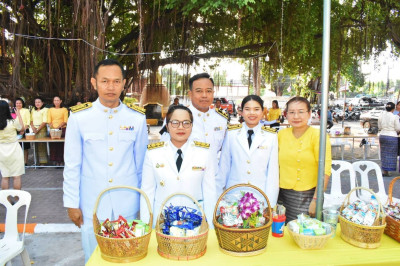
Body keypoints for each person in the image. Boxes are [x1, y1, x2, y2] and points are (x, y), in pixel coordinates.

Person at [63, 59, 148, 262]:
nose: (111, 87)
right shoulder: (79, 117)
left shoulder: (136, 118)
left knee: (127, 256)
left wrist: (142, 203)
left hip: (127, 202)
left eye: (116, 81)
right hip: (91, 203)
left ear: (123, 83)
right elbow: (72, 164)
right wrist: (71, 203)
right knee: (93, 257)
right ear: (94, 82)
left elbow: (142, 165)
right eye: (105, 81)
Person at [140, 105, 217, 225]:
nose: (181, 127)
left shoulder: (204, 153)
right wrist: (146, 225)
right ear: (167, 126)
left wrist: (211, 227)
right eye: (175, 123)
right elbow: (147, 192)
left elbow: (210, 193)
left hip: (195, 221)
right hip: (162, 222)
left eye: (186, 123)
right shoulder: (153, 153)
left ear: (192, 126)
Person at [277, 97, 332, 222]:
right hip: (281, 194)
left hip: (308, 195)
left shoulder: (319, 136)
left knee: (303, 231)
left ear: (309, 113)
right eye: (291, 112)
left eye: (301, 112)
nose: (296, 116)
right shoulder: (281, 135)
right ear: (286, 114)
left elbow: (325, 170)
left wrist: (316, 200)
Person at [218, 95, 279, 206]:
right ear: (241, 112)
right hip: (233, 196)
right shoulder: (232, 134)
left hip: (260, 197)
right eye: (247, 109)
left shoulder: (271, 136)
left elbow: (273, 173)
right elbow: (224, 166)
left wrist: (270, 204)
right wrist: (219, 197)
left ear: (262, 111)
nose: (252, 113)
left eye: (256, 109)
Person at [0, 100, 25, 190]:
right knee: (16, 176)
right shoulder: (12, 122)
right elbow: (22, 129)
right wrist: (18, 115)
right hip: (14, 149)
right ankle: (16, 198)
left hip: (1, 151)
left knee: (5, 176)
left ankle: (6, 200)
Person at [378, 102, 400, 177]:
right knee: (391, 154)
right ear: (393, 109)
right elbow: (398, 128)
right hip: (392, 136)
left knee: (384, 153)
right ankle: (390, 169)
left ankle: (385, 171)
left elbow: (379, 127)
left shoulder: (381, 116)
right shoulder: (395, 117)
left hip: (383, 135)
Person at [47, 96, 69, 166]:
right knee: (54, 145)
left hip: (62, 129)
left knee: (61, 145)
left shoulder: (64, 109)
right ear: (53, 102)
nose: (56, 102)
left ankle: (61, 160)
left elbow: (65, 120)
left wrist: (59, 127)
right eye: (55, 100)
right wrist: (53, 128)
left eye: (58, 100)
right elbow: (49, 120)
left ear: (60, 101)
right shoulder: (50, 110)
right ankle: (55, 160)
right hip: (53, 129)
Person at [30, 97, 48, 165]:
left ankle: (43, 162)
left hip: (42, 129)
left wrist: (38, 129)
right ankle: (36, 161)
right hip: (34, 130)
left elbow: (45, 121)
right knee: (35, 146)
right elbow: (31, 120)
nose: (37, 103)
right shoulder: (33, 110)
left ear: (42, 103)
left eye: (39, 102)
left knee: (41, 145)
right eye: (36, 102)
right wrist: (33, 127)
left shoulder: (45, 110)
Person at [15, 97, 31, 165]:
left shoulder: (26, 110)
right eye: (17, 103)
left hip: (25, 130)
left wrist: (23, 130)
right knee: (16, 147)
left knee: (25, 147)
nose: (18, 104)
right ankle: (18, 162)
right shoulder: (13, 111)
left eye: (20, 103)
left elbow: (28, 121)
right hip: (15, 131)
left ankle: (25, 162)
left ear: (22, 104)